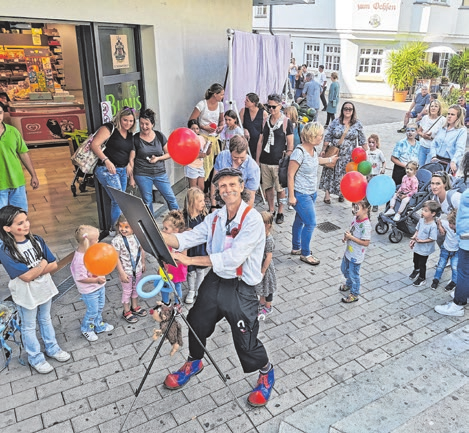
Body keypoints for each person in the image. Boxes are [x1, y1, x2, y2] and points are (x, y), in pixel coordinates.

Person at [161, 168, 274, 407]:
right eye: (222, 186)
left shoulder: (252, 220)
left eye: (232, 184)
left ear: (241, 187)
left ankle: (266, 372)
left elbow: (232, 258)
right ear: (217, 191)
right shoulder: (216, 217)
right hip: (216, 280)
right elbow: (185, 239)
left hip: (241, 287)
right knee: (196, 321)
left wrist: (190, 260)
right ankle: (195, 361)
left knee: (245, 339)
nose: (227, 190)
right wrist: (157, 234)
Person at [0, 205, 71, 374]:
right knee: (29, 326)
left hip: (44, 288)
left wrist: (37, 269)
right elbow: (25, 277)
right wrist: (42, 265)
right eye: (20, 223)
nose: (26, 225)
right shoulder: (6, 250)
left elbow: (53, 264)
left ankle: (52, 348)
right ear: (7, 228)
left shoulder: (37, 240)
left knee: (46, 319)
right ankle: (35, 357)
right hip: (26, 295)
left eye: (26, 220)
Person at [287, 122, 338, 266]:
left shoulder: (312, 150)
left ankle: (296, 247)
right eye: (320, 135)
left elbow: (316, 161)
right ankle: (305, 253)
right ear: (312, 136)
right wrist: (291, 196)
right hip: (301, 194)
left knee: (300, 220)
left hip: (311, 193)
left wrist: (330, 160)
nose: (322, 137)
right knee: (311, 223)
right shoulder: (299, 152)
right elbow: (290, 175)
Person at [92, 106, 137, 235]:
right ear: (119, 118)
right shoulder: (109, 128)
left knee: (118, 201)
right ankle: (116, 229)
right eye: (125, 120)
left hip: (122, 170)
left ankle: (117, 228)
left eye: (131, 121)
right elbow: (95, 145)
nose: (128, 123)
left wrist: (129, 164)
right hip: (107, 170)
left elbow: (131, 150)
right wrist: (106, 160)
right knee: (119, 200)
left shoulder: (129, 134)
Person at [130, 108, 179, 215]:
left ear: (152, 124)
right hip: (142, 174)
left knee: (171, 198)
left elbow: (169, 153)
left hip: (160, 173)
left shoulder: (159, 136)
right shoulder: (135, 138)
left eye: (147, 124)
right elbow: (131, 159)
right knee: (147, 201)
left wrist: (158, 158)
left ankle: (177, 222)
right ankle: (151, 227)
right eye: (141, 124)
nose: (144, 127)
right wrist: (132, 178)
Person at [71, 225, 115, 340]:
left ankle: (98, 325)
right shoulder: (80, 260)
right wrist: (96, 280)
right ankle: (87, 328)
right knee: (92, 311)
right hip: (89, 290)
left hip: (98, 286)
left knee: (99, 307)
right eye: (96, 239)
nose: (98, 241)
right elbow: (80, 278)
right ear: (88, 242)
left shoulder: (91, 252)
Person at [319, 102, 367, 204]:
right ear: (342, 110)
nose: (348, 110)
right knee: (329, 172)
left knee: (345, 175)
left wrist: (368, 152)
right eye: (345, 108)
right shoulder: (336, 122)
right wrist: (323, 149)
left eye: (350, 109)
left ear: (353, 111)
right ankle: (327, 194)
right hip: (334, 152)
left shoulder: (357, 124)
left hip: (348, 155)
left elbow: (362, 139)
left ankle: (342, 193)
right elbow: (328, 136)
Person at [256, 94, 294, 224]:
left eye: (273, 107)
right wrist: (257, 159)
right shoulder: (265, 120)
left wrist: (286, 162)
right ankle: (271, 209)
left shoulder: (286, 122)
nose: (271, 109)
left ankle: (281, 211)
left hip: (279, 161)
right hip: (265, 160)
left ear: (280, 106)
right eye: (268, 106)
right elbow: (261, 141)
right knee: (268, 187)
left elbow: (290, 144)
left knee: (280, 189)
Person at [434, 189, 469, 317]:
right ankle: (464, 293)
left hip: (466, 240)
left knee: (463, 271)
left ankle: (458, 304)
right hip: (464, 238)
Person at [0, 105, 39, 211]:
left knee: (20, 215)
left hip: (16, 182)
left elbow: (23, 154)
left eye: (0, 113)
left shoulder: (13, 132)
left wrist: (33, 175)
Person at [111, 214, 147, 323]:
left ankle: (134, 306)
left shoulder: (137, 236)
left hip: (138, 269)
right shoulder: (117, 241)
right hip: (126, 271)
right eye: (121, 226)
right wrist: (121, 272)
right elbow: (115, 258)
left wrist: (143, 263)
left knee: (136, 289)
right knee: (127, 291)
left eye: (126, 227)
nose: (123, 229)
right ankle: (126, 311)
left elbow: (142, 250)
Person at [212, 135, 260, 208]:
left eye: (242, 158)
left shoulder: (253, 168)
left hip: (239, 206)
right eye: (235, 157)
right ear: (230, 152)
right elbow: (214, 183)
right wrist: (213, 206)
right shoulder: (222, 156)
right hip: (220, 203)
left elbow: (250, 196)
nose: (238, 161)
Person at [339, 198, 372, 303]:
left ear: (366, 209)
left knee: (354, 274)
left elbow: (366, 242)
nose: (354, 209)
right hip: (349, 251)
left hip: (356, 255)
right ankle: (349, 283)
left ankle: (354, 293)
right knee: (344, 269)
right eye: (353, 206)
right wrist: (347, 237)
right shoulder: (355, 218)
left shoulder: (366, 225)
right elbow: (352, 230)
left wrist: (351, 238)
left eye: (357, 207)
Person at [183, 187, 209, 304]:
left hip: (201, 247)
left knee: (200, 271)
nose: (203, 203)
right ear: (192, 202)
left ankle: (199, 290)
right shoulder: (184, 217)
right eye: (200, 201)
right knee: (191, 271)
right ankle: (191, 290)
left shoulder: (204, 216)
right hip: (189, 249)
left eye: (204, 200)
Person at [408, 200, 440, 287]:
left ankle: (422, 278)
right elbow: (417, 230)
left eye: (426, 211)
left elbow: (433, 238)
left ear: (433, 213)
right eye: (423, 209)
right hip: (418, 246)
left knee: (422, 263)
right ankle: (416, 270)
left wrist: (422, 241)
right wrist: (414, 238)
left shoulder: (432, 226)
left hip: (425, 248)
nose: (423, 212)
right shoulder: (421, 220)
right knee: (415, 260)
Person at [430, 104, 467, 175]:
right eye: (448, 114)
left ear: (458, 117)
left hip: (449, 162)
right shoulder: (442, 128)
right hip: (436, 160)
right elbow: (434, 143)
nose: (449, 116)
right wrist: (433, 156)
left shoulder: (461, 130)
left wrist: (454, 161)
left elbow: (460, 149)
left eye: (452, 114)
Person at [162, 210, 187, 309]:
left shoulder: (182, 241)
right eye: (163, 227)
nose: (163, 230)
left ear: (175, 230)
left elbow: (184, 257)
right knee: (164, 285)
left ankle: (178, 304)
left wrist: (173, 258)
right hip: (165, 267)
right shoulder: (165, 239)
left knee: (177, 286)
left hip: (176, 268)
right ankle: (165, 303)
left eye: (166, 228)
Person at [256, 211, 277, 320]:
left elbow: (268, 257)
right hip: (259, 265)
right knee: (261, 286)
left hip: (266, 268)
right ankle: (261, 301)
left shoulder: (269, 240)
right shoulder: (260, 235)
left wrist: (263, 270)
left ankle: (268, 306)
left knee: (268, 287)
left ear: (268, 225)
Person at [431, 208, 458, 291]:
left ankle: (454, 282)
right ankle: (436, 279)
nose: (450, 225)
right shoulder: (446, 224)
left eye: (453, 224)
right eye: (449, 223)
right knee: (440, 265)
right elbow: (439, 220)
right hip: (445, 248)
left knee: (455, 267)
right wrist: (440, 227)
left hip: (456, 251)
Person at [417, 99, 445, 167]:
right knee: (420, 166)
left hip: (433, 148)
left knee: (428, 167)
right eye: (432, 106)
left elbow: (443, 137)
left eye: (436, 106)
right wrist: (423, 135)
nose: (433, 108)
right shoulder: (425, 118)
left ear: (439, 108)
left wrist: (431, 137)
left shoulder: (442, 120)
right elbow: (418, 131)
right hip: (422, 145)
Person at [390, 122, 420, 186]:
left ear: (417, 132)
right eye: (408, 131)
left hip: (413, 170)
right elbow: (393, 158)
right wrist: (405, 166)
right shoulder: (401, 143)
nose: (410, 133)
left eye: (412, 131)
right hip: (401, 169)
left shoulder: (419, 144)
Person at [239, 92, 268, 158]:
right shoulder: (243, 111)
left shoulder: (263, 113)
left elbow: (265, 130)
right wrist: (244, 129)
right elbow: (239, 125)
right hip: (246, 142)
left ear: (253, 103)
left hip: (258, 143)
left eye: (247, 100)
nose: (244, 102)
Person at [186, 119, 211, 191]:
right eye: (192, 128)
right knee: (193, 189)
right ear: (189, 129)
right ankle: (190, 202)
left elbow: (206, 153)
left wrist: (209, 147)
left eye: (197, 128)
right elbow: (188, 156)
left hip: (200, 165)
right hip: (191, 166)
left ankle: (199, 201)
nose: (195, 130)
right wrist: (199, 155)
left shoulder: (201, 138)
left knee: (201, 187)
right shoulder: (187, 140)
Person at [366, 134, 386, 212]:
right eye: (369, 142)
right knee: (368, 188)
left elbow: (384, 161)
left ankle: (375, 204)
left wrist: (383, 169)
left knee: (375, 189)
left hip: (376, 174)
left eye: (373, 142)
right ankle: (368, 202)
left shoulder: (379, 152)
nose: (371, 144)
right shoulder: (366, 152)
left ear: (376, 143)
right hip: (368, 174)